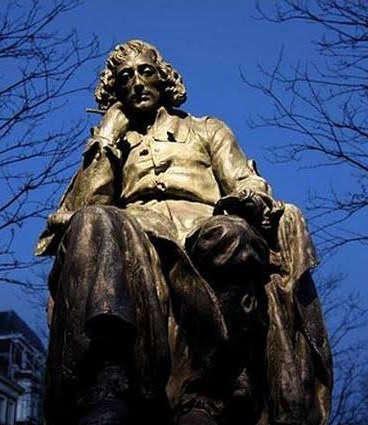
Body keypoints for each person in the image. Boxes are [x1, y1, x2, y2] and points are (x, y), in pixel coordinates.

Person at [36, 40, 332, 425]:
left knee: (232, 235)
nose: (136, 83)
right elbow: (81, 209)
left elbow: (246, 181)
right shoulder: (114, 144)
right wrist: (105, 139)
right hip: (140, 235)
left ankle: (211, 388)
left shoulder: (206, 129)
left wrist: (249, 201)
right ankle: (109, 384)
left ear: (163, 79)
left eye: (145, 71)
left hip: (205, 229)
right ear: (116, 91)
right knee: (95, 220)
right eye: (125, 78)